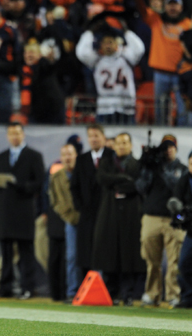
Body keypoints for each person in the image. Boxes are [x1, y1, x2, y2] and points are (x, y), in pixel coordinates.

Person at [0, 123, 44, 299]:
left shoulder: (34, 156)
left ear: (23, 135)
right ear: (8, 136)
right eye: (11, 133)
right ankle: (5, 288)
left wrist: (20, 185)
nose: (14, 136)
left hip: (24, 211)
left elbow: (39, 183)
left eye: (17, 133)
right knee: (5, 253)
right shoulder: (2, 156)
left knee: (26, 252)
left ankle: (28, 288)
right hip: (6, 211)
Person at [92, 133, 145, 305]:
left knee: (128, 256)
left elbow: (137, 185)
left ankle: (127, 294)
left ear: (130, 145)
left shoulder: (137, 164)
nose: (121, 146)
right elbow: (102, 179)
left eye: (125, 143)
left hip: (131, 215)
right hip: (110, 214)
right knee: (109, 254)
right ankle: (111, 294)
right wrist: (123, 179)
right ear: (113, 146)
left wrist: (117, 183)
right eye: (118, 143)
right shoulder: (107, 162)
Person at [135, 135, 186, 307]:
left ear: (176, 148)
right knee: (151, 261)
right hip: (152, 217)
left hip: (174, 219)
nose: (168, 150)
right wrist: (147, 168)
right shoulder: (153, 167)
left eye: (171, 146)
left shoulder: (183, 169)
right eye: (165, 148)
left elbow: (177, 186)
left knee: (175, 260)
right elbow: (140, 187)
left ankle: (173, 294)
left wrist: (161, 171)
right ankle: (152, 294)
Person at [133, 0, 192, 125]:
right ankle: (162, 134)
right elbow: (141, 8)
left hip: (181, 74)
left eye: (175, 5)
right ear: (164, 7)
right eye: (170, 5)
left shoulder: (188, 24)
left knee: (183, 108)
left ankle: (185, 135)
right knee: (160, 109)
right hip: (159, 73)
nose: (172, 8)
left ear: (181, 7)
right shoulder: (156, 20)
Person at [75, 23, 145, 124]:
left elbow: (139, 49)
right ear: (100, 46)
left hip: (126, 107)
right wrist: (89, 33)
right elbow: (81, 52)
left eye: (110, 42)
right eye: (105, 43)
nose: (108, 46)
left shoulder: (126, 57)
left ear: (116, 44)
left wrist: (127, 32)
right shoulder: (97, 60)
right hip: (105, 107)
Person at [70, 123, 113, 279]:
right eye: (90, 136)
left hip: (108, 215)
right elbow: (74, 187)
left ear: (103, 137)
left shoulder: (112, 156)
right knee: (86, 252)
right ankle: (86, 288)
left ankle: (109, 290)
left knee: (108, 252)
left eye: (96, 135)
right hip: (87, 215)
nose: (93, 139)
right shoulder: (81, 160)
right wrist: (80, 206)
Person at [49, 143, 80, 301]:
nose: (68, 157)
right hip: (69, 221)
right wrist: (68, 215)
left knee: (93, 256)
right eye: (65, 155)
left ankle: (95, 290)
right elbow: (54, 201)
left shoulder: (84, 173)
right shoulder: (56, 177)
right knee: (72, 257)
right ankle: (72, 292)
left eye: (70, 154)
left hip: (88, 220)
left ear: (76, 155)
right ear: (61, 158)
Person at [172, 151, 192, 308]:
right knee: (184, 263)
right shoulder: (185, 180)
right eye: (191, 163)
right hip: (191, 231)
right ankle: (187, 297)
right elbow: (176, 199)